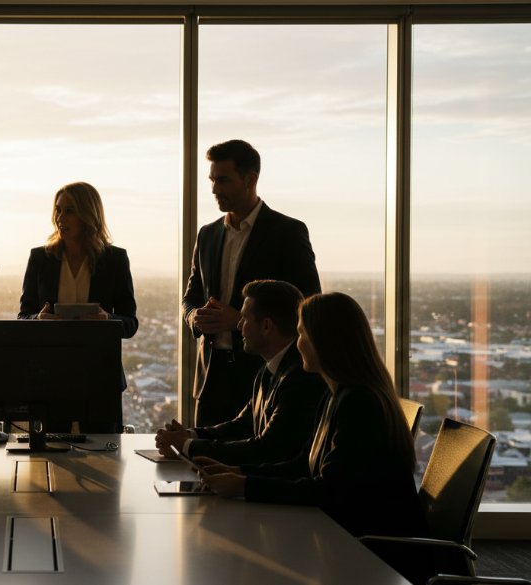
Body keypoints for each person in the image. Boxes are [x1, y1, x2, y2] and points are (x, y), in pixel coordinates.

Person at [195, 292, 426, 541]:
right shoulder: (337, 395)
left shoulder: (358, 404)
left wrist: (244, 485)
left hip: (373, 552)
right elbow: (303, 464)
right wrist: (238, 472)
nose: (297, 343)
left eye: (302, 334)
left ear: (325, 341)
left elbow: (328, 491)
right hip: (347, 537)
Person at [183, 139, 321, 427]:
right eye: (212, 180)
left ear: (250, 179)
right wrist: (195, 316)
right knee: (202, 461)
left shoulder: (287, 232)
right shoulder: (206, 235)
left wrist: (240, 321)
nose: (214, 189)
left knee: (254, 460)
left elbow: (308, 301)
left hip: (265, 374)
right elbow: (190, 297)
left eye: (223, 180)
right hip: (210, 378)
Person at [155, 280, 327, 465]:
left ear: (266, 326)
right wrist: (189, 435)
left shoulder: (300, 379)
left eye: (244, 318)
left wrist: (187, 446)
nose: (238, 326)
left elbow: (266, 449)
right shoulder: (268, 370)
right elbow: (242, 426)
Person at [18, 181, 137, 433]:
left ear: (88, 214)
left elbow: (130, 323)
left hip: (100, 376)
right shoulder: (40, 258)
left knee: (106, 459)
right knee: (47, 459)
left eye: (69, 210)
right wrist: (37, 320)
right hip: (49, 376)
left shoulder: (115, 260)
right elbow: (23, 317)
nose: (61, 218)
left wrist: (108, 320)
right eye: (58, 210)